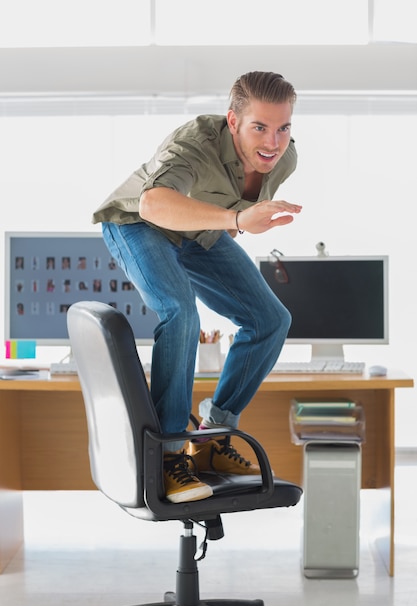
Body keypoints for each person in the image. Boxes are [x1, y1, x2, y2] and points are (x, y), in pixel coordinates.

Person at [92, 71, 302, 504]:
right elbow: (154, 202)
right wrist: (240, 221)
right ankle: (169, 454)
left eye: (283, 128)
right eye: (259, 127)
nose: (273, 142)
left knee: (270, 320)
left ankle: (210, 437)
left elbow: (236, 205)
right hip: (139, 225)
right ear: (232, 121)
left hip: (200, 233)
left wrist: (237, 220)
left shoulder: (284, 159)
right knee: (180, 312)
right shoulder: (194, 143)